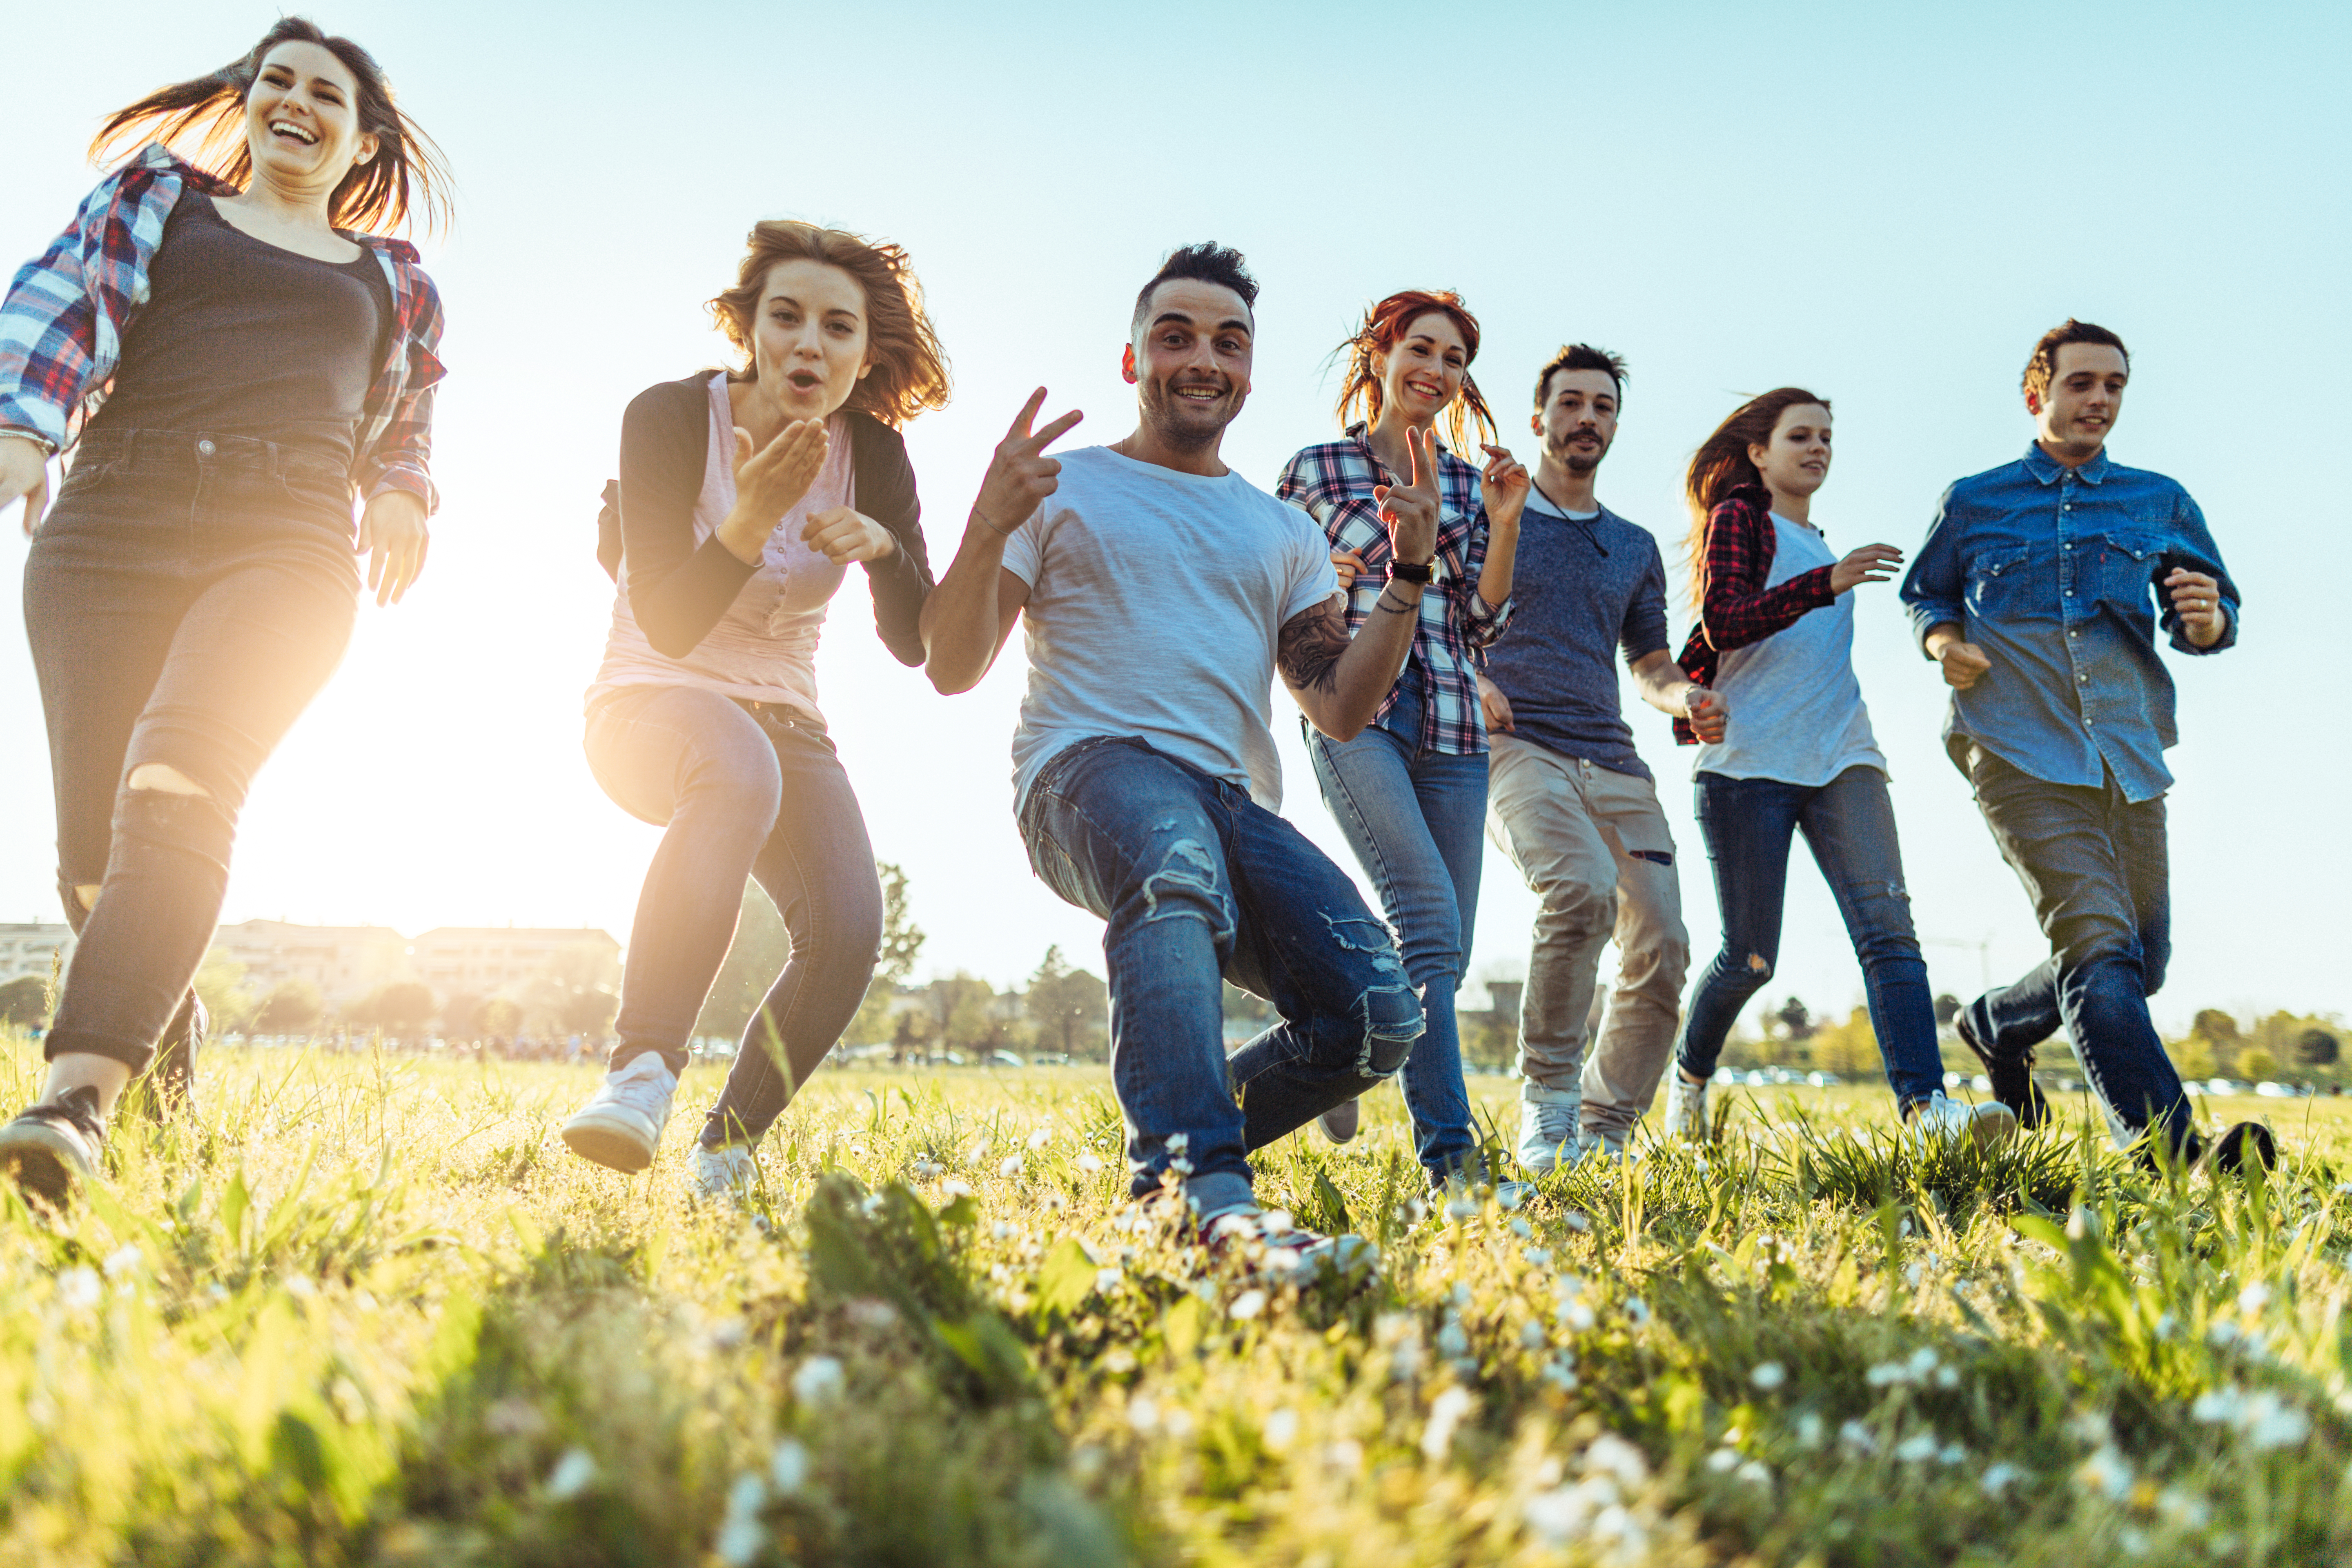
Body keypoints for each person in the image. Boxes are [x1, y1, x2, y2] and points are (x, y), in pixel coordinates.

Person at [0, 20, 448, 1204]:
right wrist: (19, 428)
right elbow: (59, 304)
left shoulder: (393, 278)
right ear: (249, 102)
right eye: (278, 81)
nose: (297, 100)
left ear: (362, 138)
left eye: (328, 93)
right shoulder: (159, 198)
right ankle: (160, 1046)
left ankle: (72, 1105)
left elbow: (406, 420)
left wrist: (404, 496)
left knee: (181, 784)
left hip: (288, 540)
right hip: (110, 523)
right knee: (95, 862)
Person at [922, 243, 1437, 1257]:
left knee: (1379, 1014)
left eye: (1228, 343)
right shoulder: (1062, 486)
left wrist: (1410, 575)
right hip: (1089, 769)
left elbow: (1337, 705)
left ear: (1249, 372)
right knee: (1172, 862)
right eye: (1176, 337)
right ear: (1132, 362)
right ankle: (1196, 1196)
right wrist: (987, 524)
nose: (1203, 359)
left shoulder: (1280, 530)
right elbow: (950, 664)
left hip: (1233, 803)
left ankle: (1175, 1139)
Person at [557, 221, 945, 1198]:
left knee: (850, 932)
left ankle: (726, 1150)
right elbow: (670, 620)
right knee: (735, 766)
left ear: (866, 354)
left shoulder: (878, 458)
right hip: (650, 700)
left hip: (787, 721)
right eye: (786, 316)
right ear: (751, 328)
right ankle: (641, 1073)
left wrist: (887, 554)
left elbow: (914, 643)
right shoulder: (670, 418)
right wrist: (746, 520)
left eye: (837, 327)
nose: (808, 343)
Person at [1900, 320, 2270, 1171]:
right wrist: (1942, 644)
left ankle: (1995, 1023)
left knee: (2138, 965)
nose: (2099, 400)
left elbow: (2210, 617)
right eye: (2082, 384)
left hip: (2129, 755)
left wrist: (2209, 622)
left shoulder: (2158, 500)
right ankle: (2170, 1155)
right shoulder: (1976, 499)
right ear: (2039, 394)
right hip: (2015, 750)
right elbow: (1927, 595)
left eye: (2114, 386)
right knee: (2099, 947)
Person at [1659, 389, 2014, 1147]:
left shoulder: (1821, 542)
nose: (1818, 449)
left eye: (1827, 437)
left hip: (1844, 757)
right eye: (1800, 436)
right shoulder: (1742, 522)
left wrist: (1831, 576)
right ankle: (1688, 1078)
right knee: (1750, 958)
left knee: (1890, 933)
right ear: (1759, 452)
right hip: (1748, 766)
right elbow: (1723, 620)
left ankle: (1928, 1112)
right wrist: (1826, 584)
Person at [1275, 289, 1524, 1191]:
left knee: (1442, 949)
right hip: (1354, 711)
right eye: (1421, 348)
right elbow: (1270, 592)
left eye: (1454, 359)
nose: (1437, 369)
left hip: (1451, 717)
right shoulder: (1315, 470)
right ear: (1379, 356)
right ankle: (1453, 1162)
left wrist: (1503, 525)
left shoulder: (1464, 481)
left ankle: (1338, 1037)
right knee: (1425, 920)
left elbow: (1484, 622)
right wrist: (1321, 576)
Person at [1474, 345, 1724, 1168]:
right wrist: (1471, 677)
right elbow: (1446, 614)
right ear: (1539, 417)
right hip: (1516, 748)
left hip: (1612, 760)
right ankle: (1546, 1111)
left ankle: (1603, 1130)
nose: (1588, 419)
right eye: (1572, 403)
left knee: (1662, 943)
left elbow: (1648, 663)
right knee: (1577, 889)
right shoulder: (1491, 512)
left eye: (1603, 407)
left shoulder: (1632, 546)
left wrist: (1686, 697)